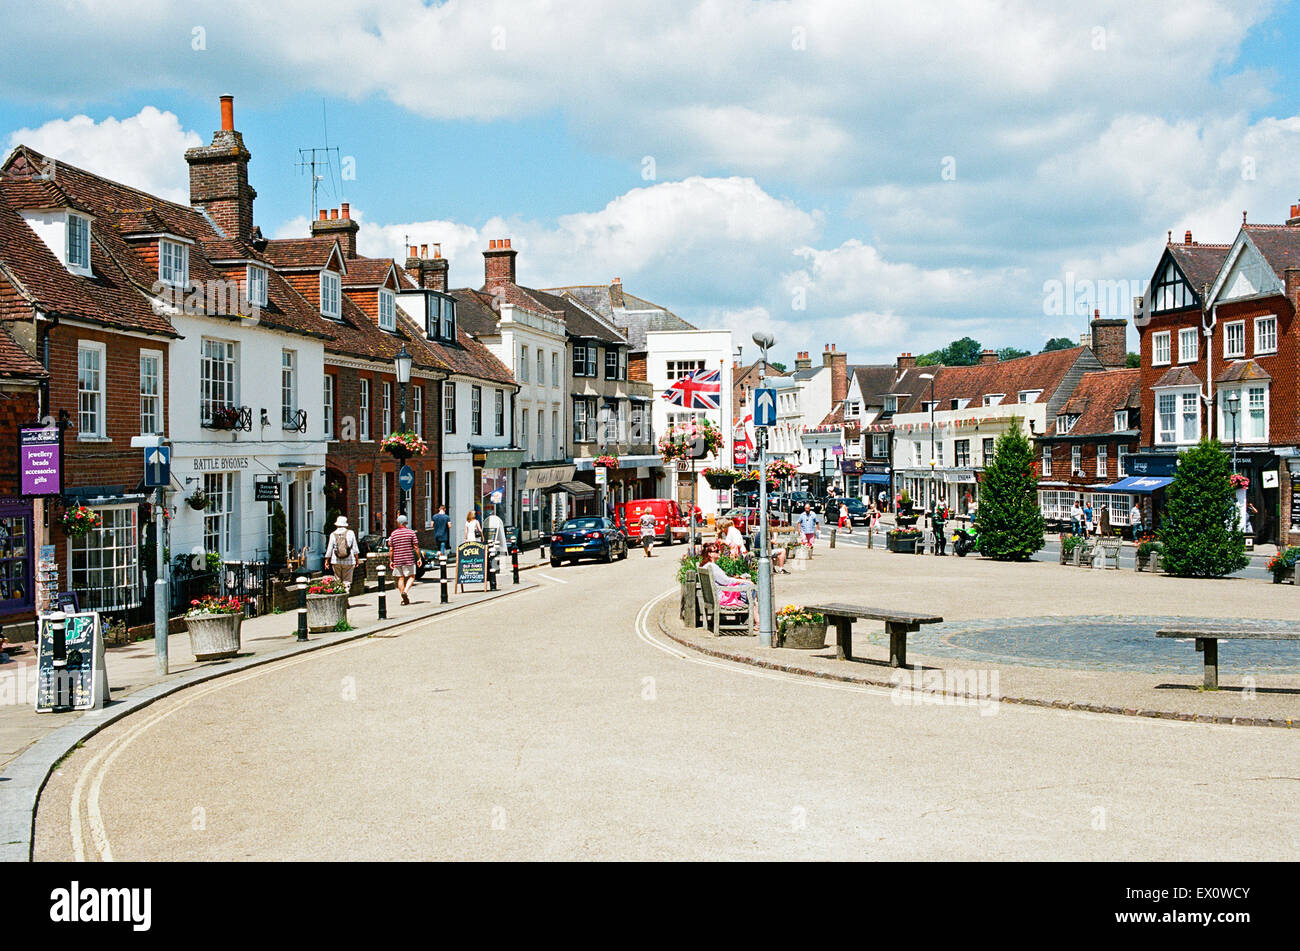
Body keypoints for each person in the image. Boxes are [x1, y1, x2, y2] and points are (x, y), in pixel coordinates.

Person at [699, 543, 757, 628]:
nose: (719, 552)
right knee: (751, 589)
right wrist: (743, 581)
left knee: (750, 592)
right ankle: (756, 622)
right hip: (723, 598)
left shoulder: (705, 566)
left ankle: (751, 620)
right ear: (710, 554)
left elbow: (724, 580)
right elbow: (726, 581)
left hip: (714, 597)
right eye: (717, 551)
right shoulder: (712, 567)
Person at [387, 514, 422, 605]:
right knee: (412, 576)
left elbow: (391, 549)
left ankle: (403, 597)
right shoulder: (411, 533)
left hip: (398, 559)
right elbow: (416, 547)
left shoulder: (393, 534)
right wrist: (419, 558)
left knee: (400, 578)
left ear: (398, 523)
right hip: (408, 558)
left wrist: (391, 560)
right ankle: (405, 592)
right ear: (406, 523)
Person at [324, 515, 360, 587]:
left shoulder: (332, 534)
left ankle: (340, 594)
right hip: (349, 560)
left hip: (336, 560)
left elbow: (329, 548)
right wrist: (357, 559)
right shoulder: (350, 533)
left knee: (337, 581)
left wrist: (326, 560)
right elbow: (355, 548)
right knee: (347, 581)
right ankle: (346, 594)